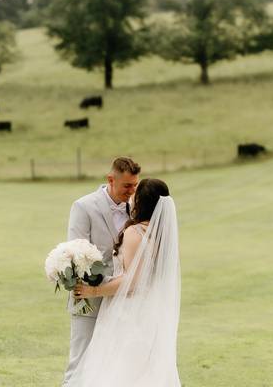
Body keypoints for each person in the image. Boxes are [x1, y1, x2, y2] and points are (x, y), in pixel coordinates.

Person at [66, 177, 181, 387]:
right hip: (151, 310)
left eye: (135, 196)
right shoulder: (161, 236)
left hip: (129, 312)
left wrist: (93, 291)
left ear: (141, 202)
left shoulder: (134, 233)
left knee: (119, 369)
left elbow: (132, 282)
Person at [62, 157, 140, 385]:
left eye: (135, 185)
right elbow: (76, 254)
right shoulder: (83, 206)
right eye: (127, 185)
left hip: (123, 303)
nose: (132, 191)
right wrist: (107, 287)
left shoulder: (136, 208)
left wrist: (122, 287)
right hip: (88, 298)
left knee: (114, 365)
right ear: (110, 179)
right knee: (80, 363)